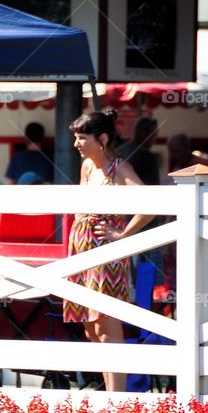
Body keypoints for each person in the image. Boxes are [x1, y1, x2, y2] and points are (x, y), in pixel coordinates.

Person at [64, 109, 153, 392]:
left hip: (105, 252)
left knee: (106, 326)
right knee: (90, 328)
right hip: (81, 248)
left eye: (81, 137)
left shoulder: (120, 169)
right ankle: (109, 398)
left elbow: (149, 205)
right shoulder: (88, 166)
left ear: (101, 138)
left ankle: (118, 401)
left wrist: (122, 234)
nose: (76, 143)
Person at [117, 116, 160, 187]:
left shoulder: (118, 150)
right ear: (144, 133)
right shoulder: (146, 156)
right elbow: (153, 187)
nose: (155, 137)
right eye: (154, 133)